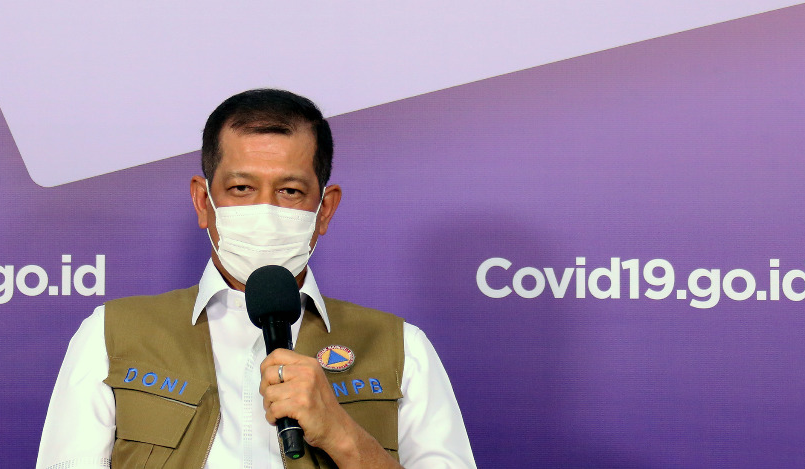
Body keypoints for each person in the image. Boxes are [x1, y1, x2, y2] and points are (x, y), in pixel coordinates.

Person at [37, 88, 476, 468]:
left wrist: (343, 435)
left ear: (324, 209)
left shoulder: (402, 349)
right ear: (203, 201)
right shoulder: (110, 335)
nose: (265, 209)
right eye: (241, 189)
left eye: (290, 191)